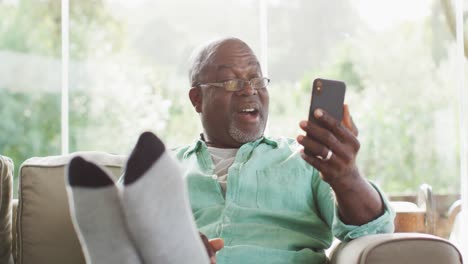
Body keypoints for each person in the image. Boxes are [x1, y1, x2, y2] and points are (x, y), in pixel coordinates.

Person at [65, 37, 394, 264]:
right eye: (232, 82)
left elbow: (372, 230)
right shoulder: (159, 170)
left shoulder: (307, 159)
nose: (250, 90)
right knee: (130, 232)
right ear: (197, 99)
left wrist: (346, 176)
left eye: (257, 79)